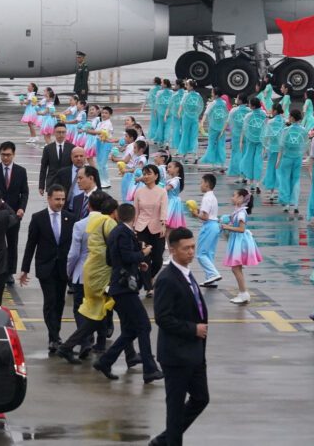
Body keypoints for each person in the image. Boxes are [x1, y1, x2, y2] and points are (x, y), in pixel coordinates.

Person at [150, 227, 209, 446]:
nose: (191, 252)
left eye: (193, 247)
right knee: (174, 408)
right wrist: (193, 329)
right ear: (173, 250)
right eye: (186, 249)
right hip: (176, 355)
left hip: (194, 353)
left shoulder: (186, 272)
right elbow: (163, 318)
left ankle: (164, 440)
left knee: (201, 398)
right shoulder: (167, 279)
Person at [93, 203, 164, 383]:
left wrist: (136, 264)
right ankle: (149, 369)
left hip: (120, 286)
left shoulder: (117, 232)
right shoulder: (124, 233)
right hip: (124, 288)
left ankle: (105, 361)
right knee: (144, 326)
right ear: (134, 217)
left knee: (131, 330)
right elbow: (126, 256)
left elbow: (111, 259)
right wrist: (143, 253)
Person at [57, 196, 119, 363]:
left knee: (82, 309)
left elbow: (74, 253)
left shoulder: (80, 224)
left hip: (83, 272)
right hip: (105, 274)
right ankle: (100, 342)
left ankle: (83, 342)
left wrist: (69, 272)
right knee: (103, 309)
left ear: (89, 206)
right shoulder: (109, 223)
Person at [20, 185, 74, 351]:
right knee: (50, 301)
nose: (60, 202)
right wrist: (25, 269)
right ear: (49, 199)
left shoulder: (69, 218)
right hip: (46, 267)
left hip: (63, 268)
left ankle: (55, 334)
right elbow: (31, 244)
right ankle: (54, 337)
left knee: (59, 302)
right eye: (57, 199)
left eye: (63, 199)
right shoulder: (38, 218)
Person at [0, 141, 29, 283]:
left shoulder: (21, 171)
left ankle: (9, 271)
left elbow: (24, 192)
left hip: (14, 214)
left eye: (8, 155)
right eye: (3, 155)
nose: (5, 158)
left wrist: (22, 208)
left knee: (12, 243)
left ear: (14, 154)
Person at [222, 189, 262, 304]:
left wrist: (227, 227)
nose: (232, 197)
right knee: (237, 268)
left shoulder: (241, 213)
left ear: (240, 198)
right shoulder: (238, 210)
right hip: (237, 240)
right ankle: (242, 293)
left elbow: (241, 229)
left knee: (235, 268)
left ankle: (244, 293)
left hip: (239, 241)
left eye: (234, 195)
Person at [133, 164, 168, 296]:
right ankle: (149, 287)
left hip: (157, 227)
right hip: (141, 227)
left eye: (149, 174)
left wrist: (163, 224)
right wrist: (134, 228)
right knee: (144, 258)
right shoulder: (139, 192)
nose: (146, 176)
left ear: (156, 176)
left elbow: (164, 209)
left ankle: (148, 277)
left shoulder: (162, 191)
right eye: (144, 174)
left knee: (158, 259)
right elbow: (135, 211)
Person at [191, 173, 223, 287]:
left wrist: (195, 214)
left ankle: (213, 273)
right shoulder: (212, 197)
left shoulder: (206, 198)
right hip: (214, 225)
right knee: (209, 253)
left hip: (209, 226)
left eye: (201, 182)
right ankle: (210, 278)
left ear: (207, 184)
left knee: (201, 254)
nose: (200, 185)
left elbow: (204, 216)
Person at [276, 109, 307, 215]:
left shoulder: (286, 130)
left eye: (289, 116)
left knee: (285, 179)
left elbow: (281, 146)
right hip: (298, 158)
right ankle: (296, 204)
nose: (288, 118)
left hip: (287, 158)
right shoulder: (304, 130)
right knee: (296, 180)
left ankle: (286, 204)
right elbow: (305, 145)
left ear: (293, 118)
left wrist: (278, 160)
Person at [39, 124, 73, 195]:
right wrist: (41, 186)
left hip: (67, 183)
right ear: (54, 133)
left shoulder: (72, 148)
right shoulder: (48, 148)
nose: (61, 134)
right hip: (52, 182)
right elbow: (43, 168)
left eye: (63, 132)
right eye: (59, 132)